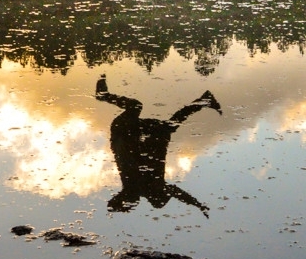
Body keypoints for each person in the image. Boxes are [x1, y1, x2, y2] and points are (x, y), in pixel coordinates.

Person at [95, 74, 221, 215]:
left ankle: (103, 95)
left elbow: (113, 205)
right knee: (168, 126)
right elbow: (176, 192)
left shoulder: (136, 184)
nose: (166, 190)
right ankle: (204, 101)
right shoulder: (152, 181)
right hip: (132, 133)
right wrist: (197, 204)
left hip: (123, 131)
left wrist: (122, 206)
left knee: (139, 108)